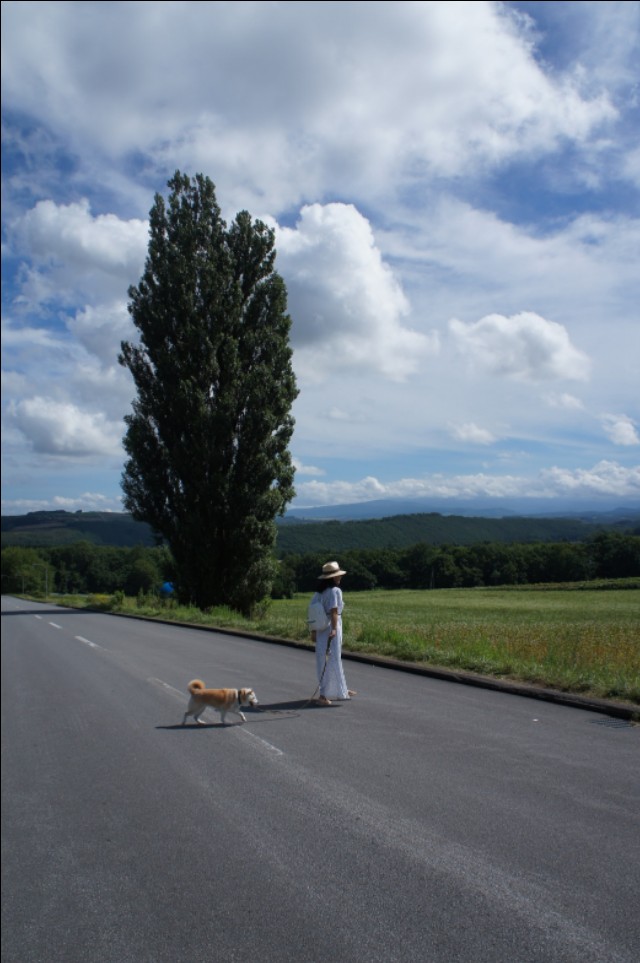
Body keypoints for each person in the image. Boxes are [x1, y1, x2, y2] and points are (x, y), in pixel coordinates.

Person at [310, 560, 356, 706]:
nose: (340, 577)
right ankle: (325, 694)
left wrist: (313, 631)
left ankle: (340, 689)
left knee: (322, 659)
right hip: (331, 627)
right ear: (333, 577)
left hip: (320, 628)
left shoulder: (318, 593)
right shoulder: (335, 591)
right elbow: (334, 612)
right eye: (338, 575)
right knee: (334, 657)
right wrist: (335, 628)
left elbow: (312, 613)